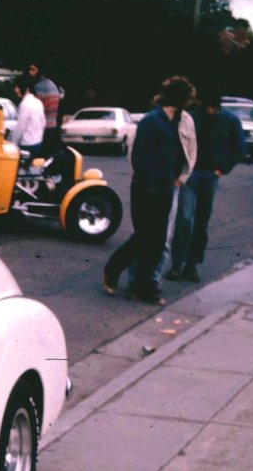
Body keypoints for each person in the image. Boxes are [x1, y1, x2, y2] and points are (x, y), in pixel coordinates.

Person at [103, 75, 194, 304]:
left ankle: (143, 288)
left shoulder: (177, 121)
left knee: (156, 241)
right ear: (179, 98)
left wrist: (176, 179)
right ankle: (113, 269)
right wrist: (150, 185)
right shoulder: (151, 121)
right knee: (144, 238)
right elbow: (139, 156)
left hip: (166, 187)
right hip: (146, 189)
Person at [165, 90, 245, 282]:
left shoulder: (230, 120)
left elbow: (239, 148)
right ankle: (177, 264)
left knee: (201, 222)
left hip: (210, 175)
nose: (210, 111)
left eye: (214, 108)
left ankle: (192, 265)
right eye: (207, 107)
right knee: (184, 219)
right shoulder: (191, 117)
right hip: (190, 175)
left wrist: (223, 169)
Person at [133, 78, 197, 295]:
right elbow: (138, 153)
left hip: (171, 184)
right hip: (150, 186)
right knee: (146, 234)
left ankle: (152, 278)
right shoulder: (152, 120)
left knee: (163, 236)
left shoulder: (185, 120)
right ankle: (136, 277)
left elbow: (191, 150)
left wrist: (182, 178)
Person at [28, 62, 65, 152]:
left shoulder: (38, 87)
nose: (30, 72)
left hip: (43, 127)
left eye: (33, 69)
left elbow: (36, 108)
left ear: (39, 71)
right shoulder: (52, 84)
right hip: (53, 125)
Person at [14, 77, 45, 163]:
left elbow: (20, 127)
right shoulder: (38, 102)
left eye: (18, 87)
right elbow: (43, 123)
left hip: (26, 144)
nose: (16, 90)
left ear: (27, 88)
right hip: (38, 143)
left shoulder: (24, 104)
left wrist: (13, 145)